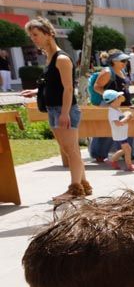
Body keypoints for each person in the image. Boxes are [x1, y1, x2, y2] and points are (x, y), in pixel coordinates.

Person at [22, 17, 86, 201]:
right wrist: (35, 91)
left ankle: (75, 189)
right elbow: (54, 84)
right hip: (54, 109)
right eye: (31, 35)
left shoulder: (62, 58)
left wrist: (65, 113)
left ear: (49, 34)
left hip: (63, 109)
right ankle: (83, 184)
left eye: (36, 35)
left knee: (71, 150)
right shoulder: (50, 57)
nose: (33, 38)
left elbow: (68, 88)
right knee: (70, 149)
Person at [101, 89, 134, 172]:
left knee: (125, 149)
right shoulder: (112, 112)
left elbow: (121, 117)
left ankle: (112, 160)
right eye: (119, 98)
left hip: (121, 134)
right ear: (114, 100)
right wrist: (128, 117)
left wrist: (128, 113)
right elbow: (118, 123)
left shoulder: (116, 109)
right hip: (119, 134)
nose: (121, 99)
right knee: (128, 149)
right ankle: (129, 166)